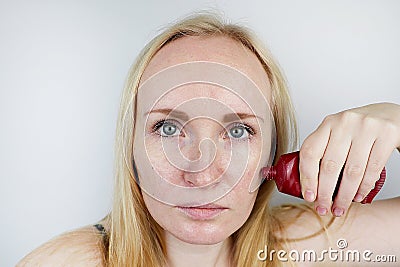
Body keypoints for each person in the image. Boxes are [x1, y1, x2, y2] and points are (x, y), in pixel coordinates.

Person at [17, 12, 400, 267]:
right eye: (168, 129)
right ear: (129, 150)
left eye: (238, 131)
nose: (203, 175)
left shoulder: (308, 245)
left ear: (273, 147)